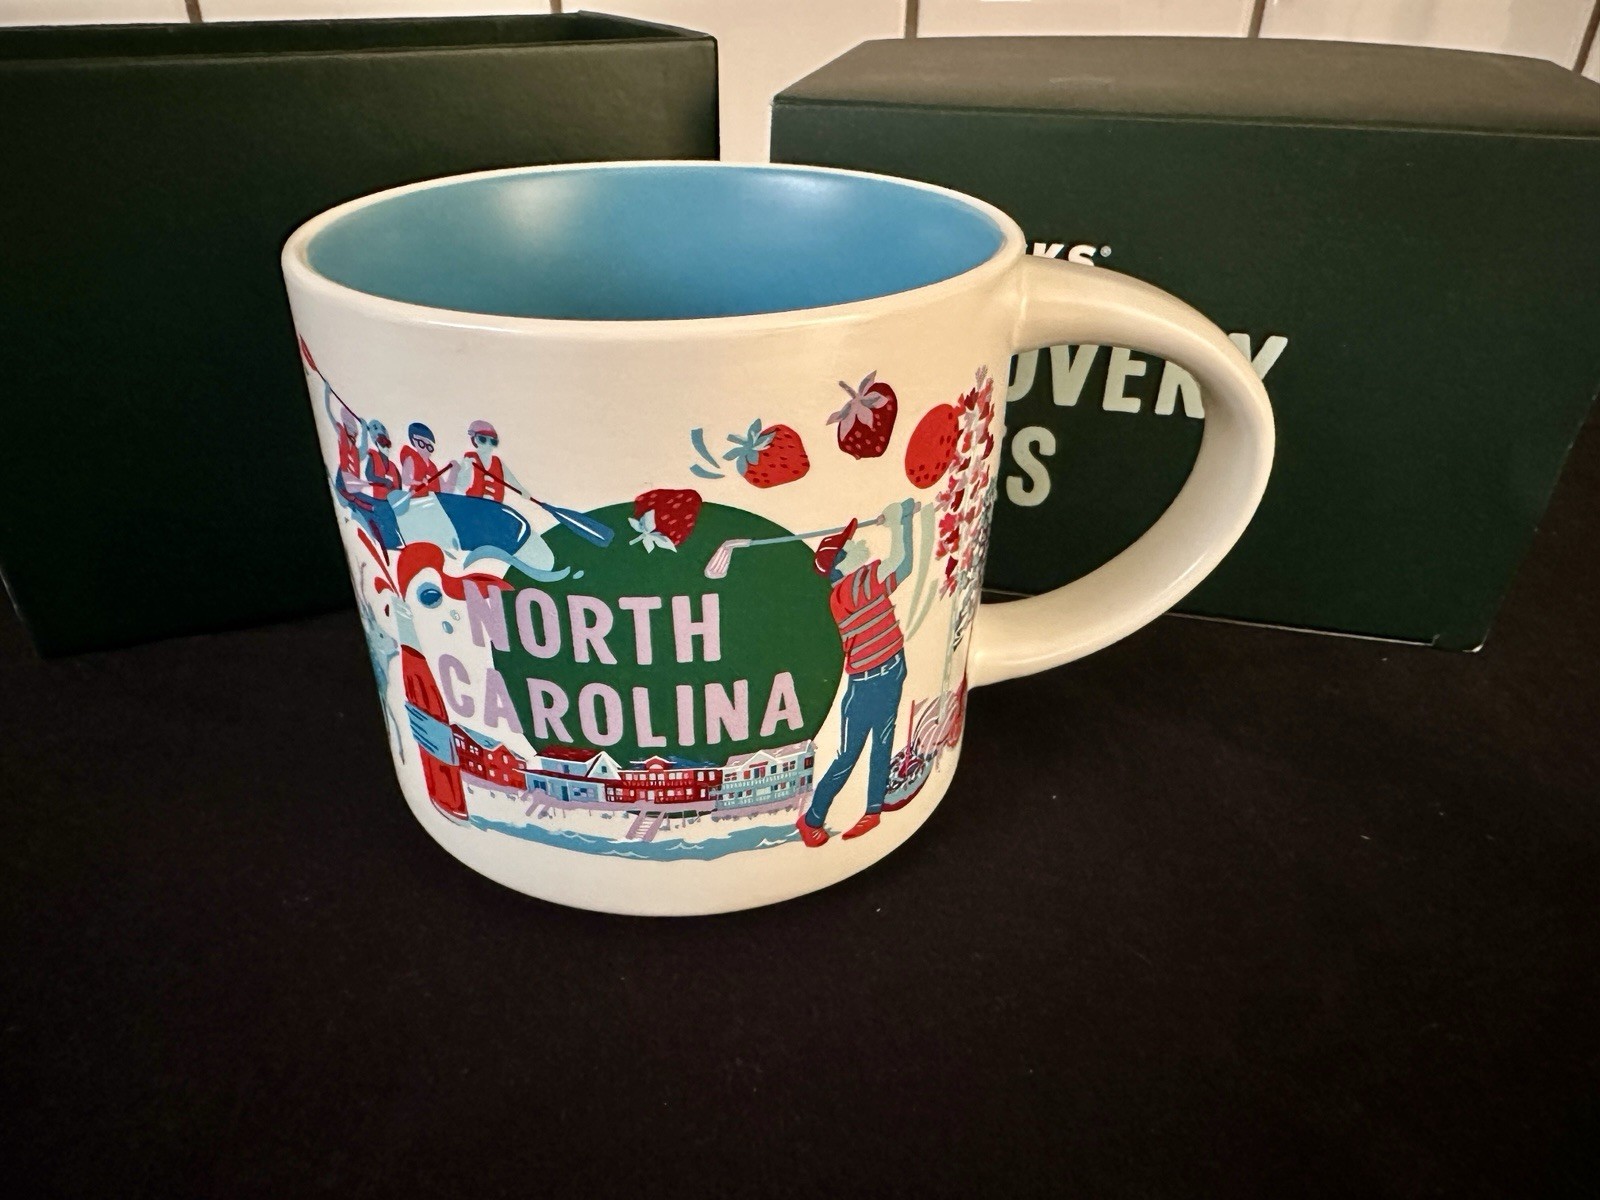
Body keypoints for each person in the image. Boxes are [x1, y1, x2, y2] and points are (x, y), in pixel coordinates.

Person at [797, 498, 917, 847]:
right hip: (868, 684)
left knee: (883, 744)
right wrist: (900, 522)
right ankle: (812, 819)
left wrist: (902, 519)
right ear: (841, 564)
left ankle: (873, 811)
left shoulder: (860, 583)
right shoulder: (851, 588)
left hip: (890, 670)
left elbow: (898, 570)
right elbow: (902, 563)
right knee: (848, 756)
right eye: (850, 546)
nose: (860, 543)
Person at [453, 420, 528, 501]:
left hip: (496, 505)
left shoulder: (498, 462)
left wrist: (522, 490)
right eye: (482, 439)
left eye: (493, 442)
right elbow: (461, 486)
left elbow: (511, 479)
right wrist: (467, 468)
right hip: (474, 503)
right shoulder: (470, 459)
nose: (488, 444)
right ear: (474, 440)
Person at [398, 422, 446, 496]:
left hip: (432, 498)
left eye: (429, 446)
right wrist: (420, 483)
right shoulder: (411, 458)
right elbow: (406, 480)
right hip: (417, 498)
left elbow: (439, 487)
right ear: (414, 441)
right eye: (421, 443)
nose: (425, 448)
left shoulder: (433, 466)